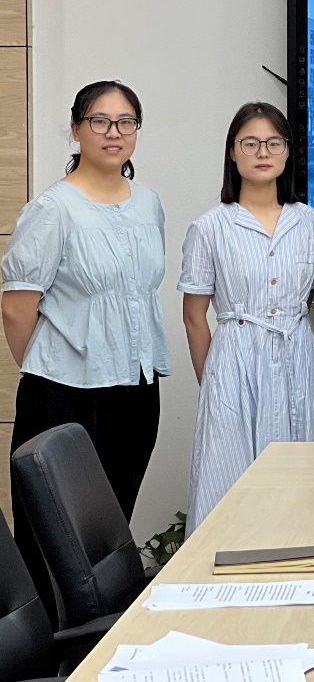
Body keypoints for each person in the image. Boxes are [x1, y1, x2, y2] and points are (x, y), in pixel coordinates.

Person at [1, 80, 167, 617]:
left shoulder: (148, 203)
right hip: (65, 394)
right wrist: (50, 368)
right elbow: (17, 308)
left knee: (108, 537)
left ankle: (98, 643)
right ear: (76, 129)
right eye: (99, 120)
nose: (113, 132)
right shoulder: (53, 208)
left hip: (136, 389)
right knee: (50, 544)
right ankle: (47, 652)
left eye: (126, 121)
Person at [179, 102, 314, 533]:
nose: (263, 152)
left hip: (297, 354)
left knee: (303, 475)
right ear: (232, 152)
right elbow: (194, 317)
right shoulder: (210, 227)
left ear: (287, 152)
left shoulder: (311, 223)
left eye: (273, 143)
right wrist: (215, 382)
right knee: (227, 478)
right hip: (234, 359)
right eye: (250, 143)